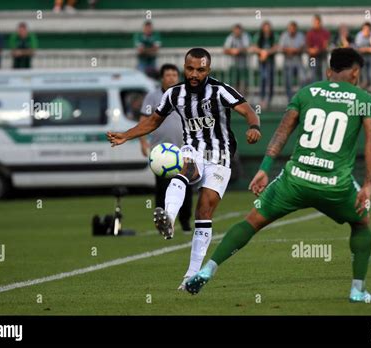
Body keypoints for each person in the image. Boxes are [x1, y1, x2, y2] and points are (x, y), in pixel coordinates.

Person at [185, 48, 371, 304]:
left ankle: (208, 268)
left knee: (252, 221)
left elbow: (282, 131)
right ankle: (357, 290)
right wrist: (367, 184)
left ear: (328, 70)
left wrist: (265, 168)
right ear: (355, 71)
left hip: (295, 179)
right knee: (361, 225)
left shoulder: (307, 93)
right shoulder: (364, 99)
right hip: (335, 184)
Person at [106, 48, 261, 290]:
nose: (195, 74)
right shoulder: (173, 94)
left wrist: (254, 126)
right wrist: (126, 135)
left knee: (204, 211)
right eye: (190, 69)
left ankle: (191, 275)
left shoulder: (220, 90)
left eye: (200, 70)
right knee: (185, 173)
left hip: (220, 154)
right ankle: (168, 217)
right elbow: (153, 120)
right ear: (184, 68)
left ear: (208, 70)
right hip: (192, 150)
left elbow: (247, 109)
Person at [139, 64, 193, 232]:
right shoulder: (152, 96)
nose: (171, 77)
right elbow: (144, 119)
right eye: (168, 74)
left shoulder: (186, 95)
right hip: (161, 152)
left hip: (184, 149)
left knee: (186, 187)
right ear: (162, 77)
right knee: (162, 189)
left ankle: (185, 222)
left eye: (174, 74)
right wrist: (142, 141)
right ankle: (163, 223)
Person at [251, 21, 278, 109]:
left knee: (270, 80)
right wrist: (262, 52)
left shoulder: (273, 35)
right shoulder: (259, 35)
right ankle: (262, 99)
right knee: (263, 79)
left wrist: (266, 52)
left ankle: (269, 99)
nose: (266, 29)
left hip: (270, 61)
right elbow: (254, 47)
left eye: (268, 27)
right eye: (265, 27)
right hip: (262, 62)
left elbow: (276, 47)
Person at [279, 21, 305, 101]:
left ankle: (301, 99)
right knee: (288, 82)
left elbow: (301, 47)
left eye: (293, 29)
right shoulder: (284, 35)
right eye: (290, 29)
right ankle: (290, 100)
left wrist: (292, 50)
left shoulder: (300, 35)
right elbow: (282, 47)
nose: (292, 30)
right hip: (288, 62)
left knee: (303, 79)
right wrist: (292, 50)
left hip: (298, 62)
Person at [224, 24, 251, 96]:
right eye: (235, 30)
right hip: (233, 64)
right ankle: (235, 97)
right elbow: (225, 50)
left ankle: (245, 98)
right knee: (234, 81)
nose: (237, 32)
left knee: (245, 81)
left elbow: (247, 48)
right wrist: (232, 51)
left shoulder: (245, 36)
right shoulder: (230, 37)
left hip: (244, 64)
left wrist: (237, 50)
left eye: (238, 30)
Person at [355, 22, 371, 89]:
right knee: (363, 77)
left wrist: (365, 49)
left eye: (368, 29)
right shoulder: (359, 35)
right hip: (361, 58)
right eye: (365, 29)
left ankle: (365, 91)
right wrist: (369, 49)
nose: (367, 31)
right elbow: (358, 48)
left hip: (370, 58)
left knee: (370, 77)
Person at [306, 15, 330, 83]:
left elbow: (325, 45)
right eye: (314, 22)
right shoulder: (310, 33)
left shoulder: (325, 32)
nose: (315, 24)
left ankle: (323, 90)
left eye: (317, 22)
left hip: (322, 56)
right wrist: (311, 50)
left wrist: (317, 49)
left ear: (320, 23)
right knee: (313, 73)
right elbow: (307, 46)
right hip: (312, 57)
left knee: (323, 73)